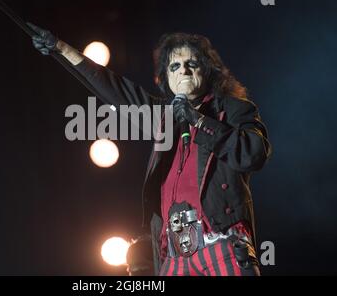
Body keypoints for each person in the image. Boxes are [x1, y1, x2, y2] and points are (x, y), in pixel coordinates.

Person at [27, 23, 272, 276]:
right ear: (166, 78)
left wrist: (199, 121)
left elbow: (254, 153)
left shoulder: (232, 110)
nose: (184, 70)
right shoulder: (163, 118)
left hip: (220, 241)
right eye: (175, 66)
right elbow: (113, 88)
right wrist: (61, 48)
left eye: (192, 63)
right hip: (175, 256)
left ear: (208, 71)